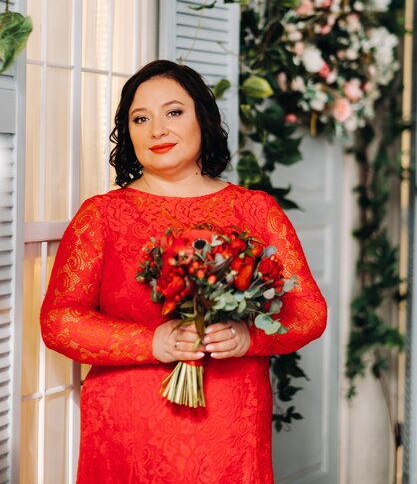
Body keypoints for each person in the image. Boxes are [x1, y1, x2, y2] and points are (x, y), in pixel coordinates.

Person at [40, 59, 327, 484]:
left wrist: (250, 337)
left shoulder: (255, 210)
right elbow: (59, 321)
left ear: (202, 119)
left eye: (173, 112)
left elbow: (309, 311)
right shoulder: (101, 216)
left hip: (229, 425)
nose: (157, 130)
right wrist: (152, 340)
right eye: (141, 119)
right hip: (128, 426)